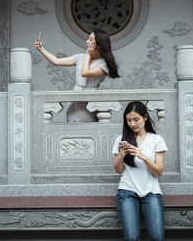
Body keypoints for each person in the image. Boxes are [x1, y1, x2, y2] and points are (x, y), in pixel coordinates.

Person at [35, 29, 119, 122]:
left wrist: (88, 54)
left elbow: (85, 73)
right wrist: (41, 49)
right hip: (75, 98)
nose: (87, 41)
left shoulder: (103, 64)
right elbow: (56, 61)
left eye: (90, 39)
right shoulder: (80, 57)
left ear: (99, 44)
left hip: (89, 101)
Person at [112, 101, 167, 241]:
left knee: (157, 237)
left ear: (145, 117)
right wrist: (121, 155)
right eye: (129, 120)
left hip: (151, 192)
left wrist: (143, 157)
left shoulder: (156, 140)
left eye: (136, 119)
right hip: (127, 192)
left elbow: (158, 172)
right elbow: (118, 170)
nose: (133, 124)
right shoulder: (121, 139)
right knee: (131, 237)